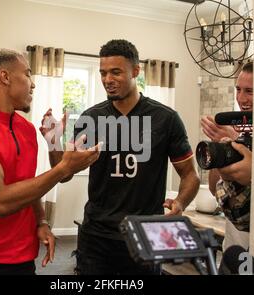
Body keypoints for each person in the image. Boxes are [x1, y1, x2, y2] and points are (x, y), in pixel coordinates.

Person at [40, 39, 200, 275]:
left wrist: (181, 203)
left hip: (145, 233)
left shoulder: (166, 118)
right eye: (103, 73)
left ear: (136, 71)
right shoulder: (90, 118)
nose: (107, 80)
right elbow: (63, 173)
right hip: (97, 235)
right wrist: (53, 141)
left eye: (116, 72)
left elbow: (190, 175)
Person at [0, 49, 101, 275]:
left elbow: (29, 185)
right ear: (5, 77)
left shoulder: (26, 129)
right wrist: (65, 166)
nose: (33, 84)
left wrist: (41, 221)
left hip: (22, 258)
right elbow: (0, 202)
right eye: (28, 74)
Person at [200, 61, 253, 250]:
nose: (241, 98)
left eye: (249, 91)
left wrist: (235, 140)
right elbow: (215, 189)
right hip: (233, 244)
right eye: (238, 90)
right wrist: (220, 149)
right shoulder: (236, 127)